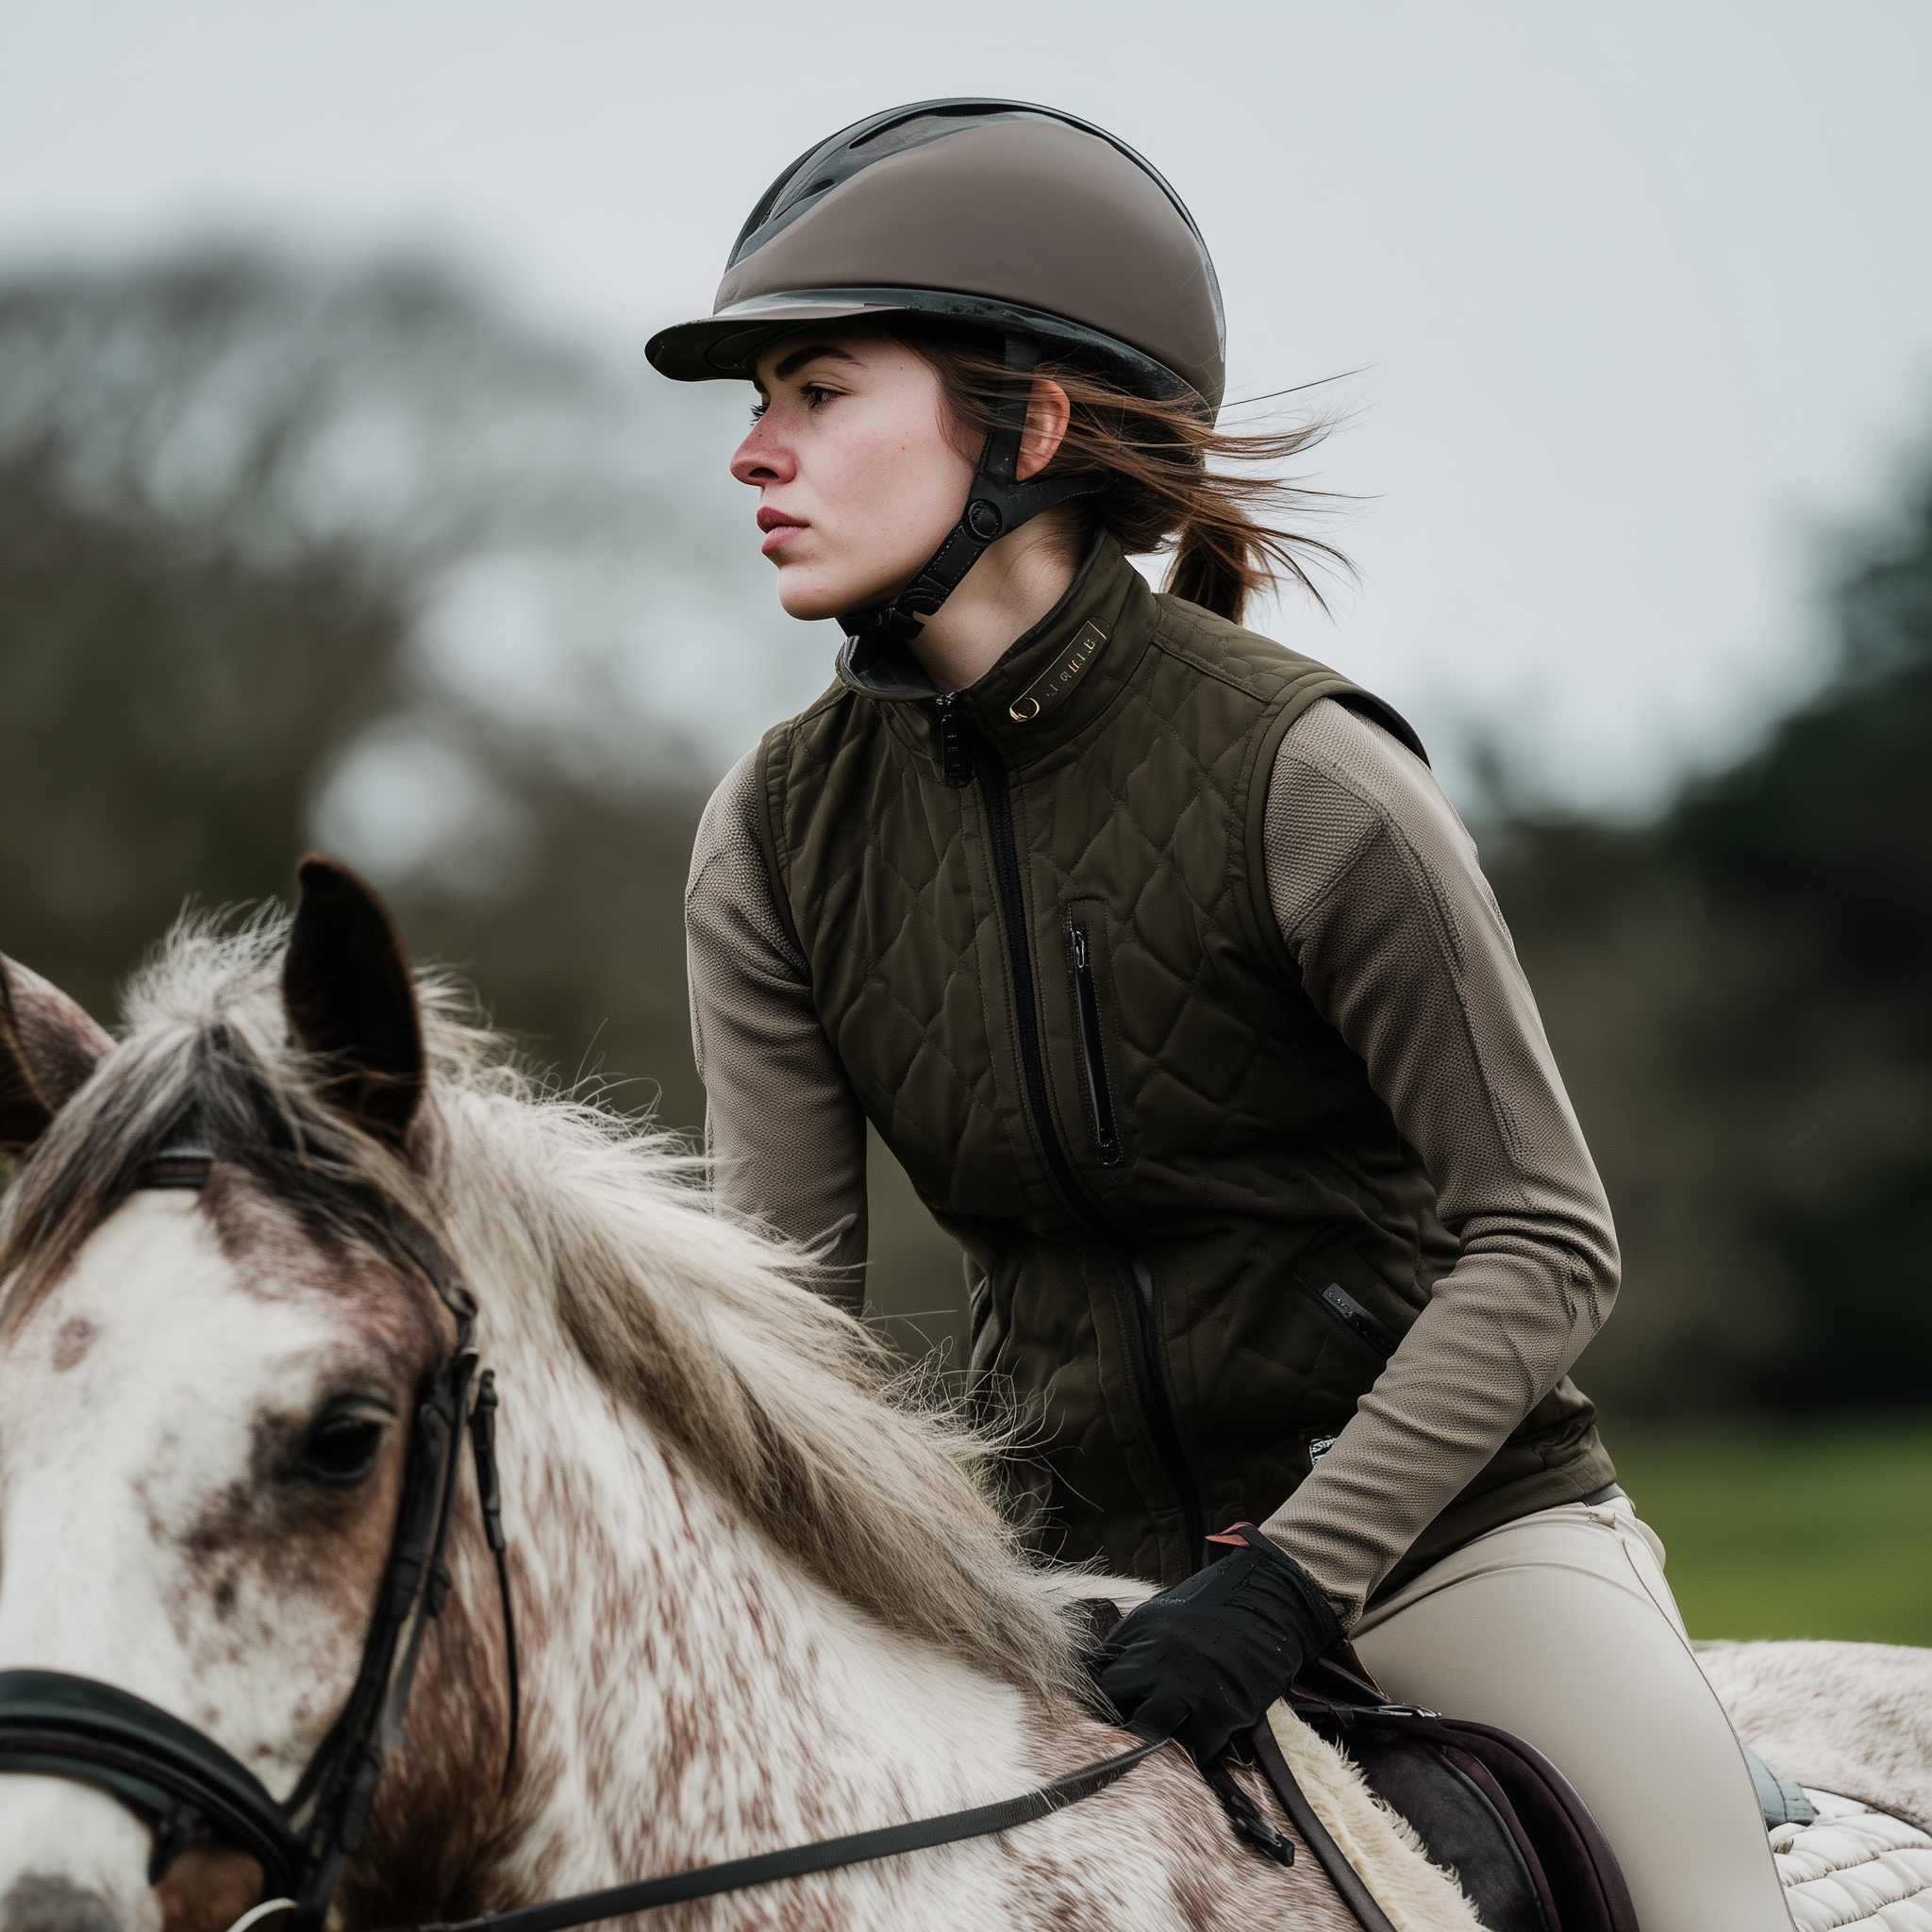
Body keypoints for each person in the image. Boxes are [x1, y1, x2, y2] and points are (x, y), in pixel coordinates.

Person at [649, 101, 1792, 1929]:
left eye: (816, 392)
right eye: (756, 400)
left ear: (1025, 425)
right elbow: (778, 1319)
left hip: (1449, 1547)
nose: (751, 453)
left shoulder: (1312, 776)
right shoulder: (775, 835)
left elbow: (1544, 1239)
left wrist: (1290, 1576)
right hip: (1051, 1580)